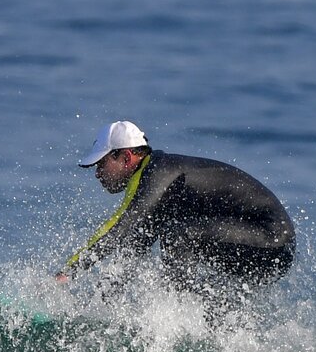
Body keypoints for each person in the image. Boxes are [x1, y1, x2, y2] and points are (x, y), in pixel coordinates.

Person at [57, 121, 296, 305]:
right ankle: (209, 323)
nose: (98, 173)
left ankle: (185, 317)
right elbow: (131, 252)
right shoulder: (157, 194)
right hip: (257, 247)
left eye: (101, 164)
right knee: (174, 242)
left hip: (271, 239)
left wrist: (67, 272)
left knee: (179, 236)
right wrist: (99, 303)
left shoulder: (159, 173)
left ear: (126, 157)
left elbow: (120, 226)